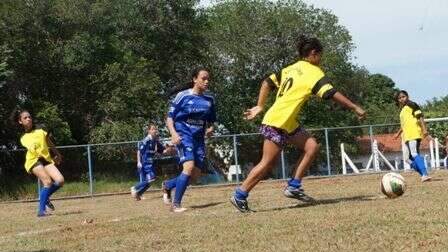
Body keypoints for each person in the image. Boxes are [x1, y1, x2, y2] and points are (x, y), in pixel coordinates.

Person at [230, 35, 366, 213]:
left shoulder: (291, 68)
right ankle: (240, 194)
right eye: (320, 56)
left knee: (311, 146)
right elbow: (330, 92)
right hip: (277, 122)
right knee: (267, 163)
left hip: (287, 121)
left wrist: (260, 106)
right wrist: (354, 107)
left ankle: (294, 186)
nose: (320, 60)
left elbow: (267, 82)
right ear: (313, 53)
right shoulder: (313, 72)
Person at [162, 67, 216, 213]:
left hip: (199, 139)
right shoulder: (183, 96)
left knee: (195, 176)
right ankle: (176, 205)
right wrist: (173, 133)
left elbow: (211, 121)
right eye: (203, 78)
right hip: (184, 135)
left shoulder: (209, 99)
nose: (206, 81)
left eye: (208, 79)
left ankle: (168, 185)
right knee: (189, 166)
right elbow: (169, 118)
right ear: (194, 79)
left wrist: (210, 129)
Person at [12, 109, 64, 217]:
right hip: (33, 160)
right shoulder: (23, 138)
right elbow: (32, 147)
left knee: (60, 180)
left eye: (29, 117)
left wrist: (57, 154)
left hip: (45, 159)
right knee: (48, 182)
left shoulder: (40, 130)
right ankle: (41, 211)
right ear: (20, 121)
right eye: (25, 118)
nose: (28, 119)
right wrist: (35, 147)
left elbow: (49, 142)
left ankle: (45, 197)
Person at [393, 90, 431, 182]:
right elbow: (403, 124)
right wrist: (398, 134)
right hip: (406, 136)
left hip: (413, 133)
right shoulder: (402, 110)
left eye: (403, 96)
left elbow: (420, 117)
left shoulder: (412, 104)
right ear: (398, 100)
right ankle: (423, 174)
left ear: (407, 96)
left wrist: (424, 129)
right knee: (407, 159)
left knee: (414, 154)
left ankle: (424, 174)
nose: (402, 99)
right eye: (400, 98)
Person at [130, 123, 173, 201]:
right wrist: (139, 162)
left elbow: (162, 151)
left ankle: (138, 194)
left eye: (155, 129)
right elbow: (139, 151)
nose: (155, 130)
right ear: (149, 131)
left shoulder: (155, 141)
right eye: (153, 129)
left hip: (150, 163)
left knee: (149, 182)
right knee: (149, 180)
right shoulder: (146, 140)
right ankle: (134, 188)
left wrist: (168, 150)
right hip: (144, 163)